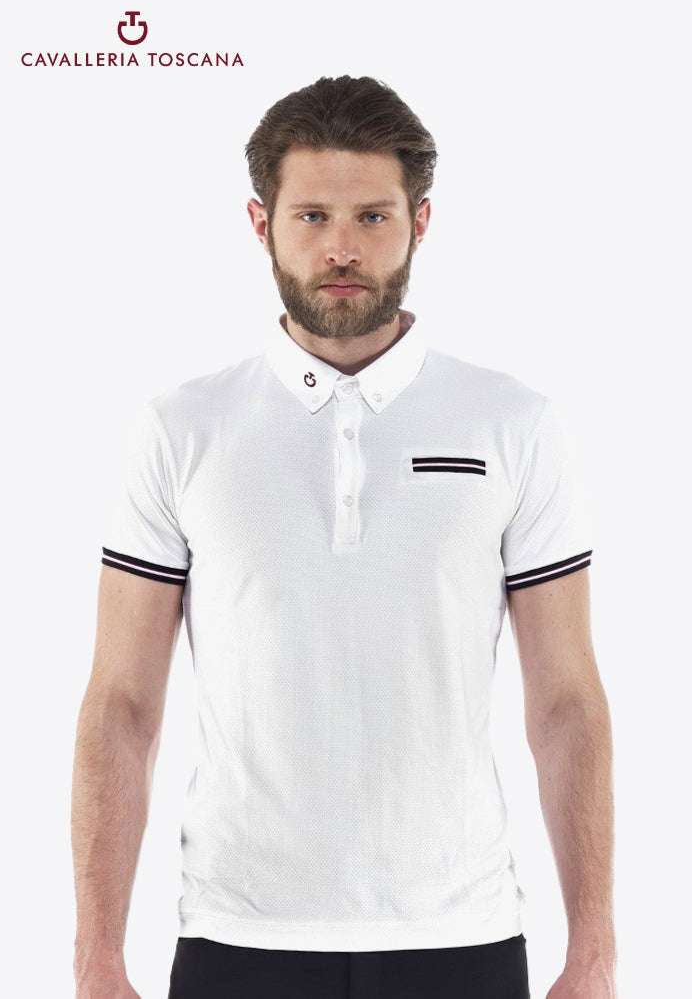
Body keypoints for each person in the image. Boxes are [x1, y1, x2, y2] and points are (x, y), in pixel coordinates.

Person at [71, 75, 617, 999]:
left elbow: (567, 702)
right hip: (237, 939)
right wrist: (96, 961)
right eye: (312, 215)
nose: (341, 248)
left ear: (420, 222)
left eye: (372, 216)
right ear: (261, 222)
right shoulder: (181, 429)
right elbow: (121, 706)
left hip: (464, 940)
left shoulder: (513, 424)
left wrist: (595, 954)